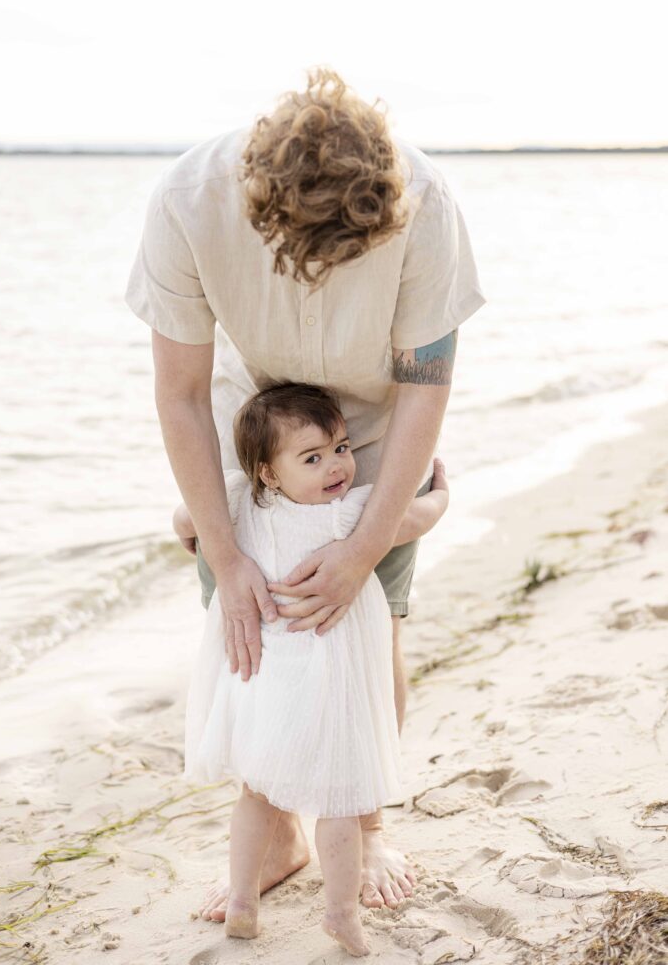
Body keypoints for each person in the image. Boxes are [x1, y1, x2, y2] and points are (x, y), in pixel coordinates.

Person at [124, 65, 486, 916]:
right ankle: (277, 829)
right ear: (260, 205)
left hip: (363, 435)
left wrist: (367, 545)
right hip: (248, 429)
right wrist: (222, 544)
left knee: (369, 632)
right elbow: (177, 392)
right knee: (254, 635)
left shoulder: (425, 203)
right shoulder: (187, 200)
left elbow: (425, 385)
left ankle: (361, 827)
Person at [178, 381, 450, 956]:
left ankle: (246, 903)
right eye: (313, 457)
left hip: (266, 691)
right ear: (269, 474)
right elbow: (410, 521)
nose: (337, 468)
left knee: (256, 796)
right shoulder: (347, 516)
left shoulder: (235, 503)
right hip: (330, 689)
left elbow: (185, 519)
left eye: (343, 448)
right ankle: (340, 915)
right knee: (341, 803)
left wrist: (197, 537)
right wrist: (441, 497)